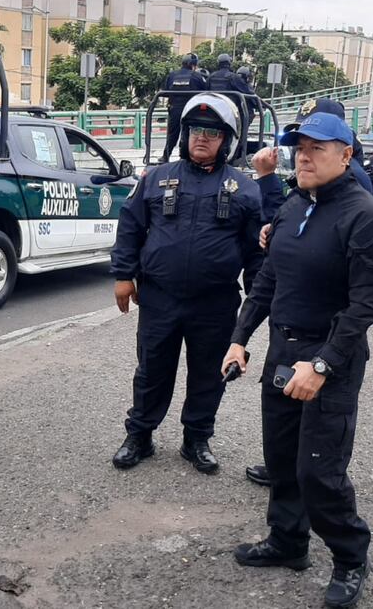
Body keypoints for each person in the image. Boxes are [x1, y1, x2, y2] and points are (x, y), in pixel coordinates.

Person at [221, 110, 373, 609]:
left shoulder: (365, 218)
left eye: (318, 148)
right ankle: (288, 542)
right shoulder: (295, 205)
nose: (305, 156)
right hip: (283, 349)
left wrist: (320, 366)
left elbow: (367, 306)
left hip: (329, 360)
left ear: (346, 154)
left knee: (320, 470)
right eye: (300, 147)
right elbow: (269, 281)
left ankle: (349, 557)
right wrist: (239, 337)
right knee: (280, 460)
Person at [111, 93, 263, 474]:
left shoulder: (245, 189)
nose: (202, 138)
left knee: (209, 373)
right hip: (160, 297)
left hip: (215, 303)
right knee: (151, 369)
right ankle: (140, 435)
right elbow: (130, 227)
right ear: (184, 133)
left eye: (212, 132)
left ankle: (197, 438)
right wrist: (123, 276)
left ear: (227, 140)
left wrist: (259, 303)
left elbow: (255, 252)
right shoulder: (156, 178)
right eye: (196, 129)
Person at [158, 53, 208, 163]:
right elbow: (206, 92)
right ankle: (184, 158)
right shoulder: (197, 76)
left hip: (174, 108)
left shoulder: (172, 75)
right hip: (191, 110)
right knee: (188, 133)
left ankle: (165, 156)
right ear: (193, 65)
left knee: (172, 134)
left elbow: (166, 90)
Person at [208, 54, 256, 126]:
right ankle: (241, 136)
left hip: (212, 110)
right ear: (229, 63)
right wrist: (259, 104)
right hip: (228, 111)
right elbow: (247, 92)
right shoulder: (233, 77)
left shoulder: (211, 77)